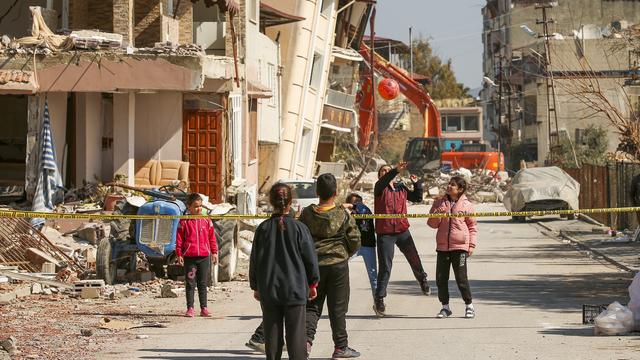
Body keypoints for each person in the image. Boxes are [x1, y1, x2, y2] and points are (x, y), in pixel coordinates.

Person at [250, 183, 320, 360]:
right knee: (296, 337)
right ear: (291, 202)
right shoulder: (300, 228)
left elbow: (255, 261)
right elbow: (310, 259)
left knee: (272, 338)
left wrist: (256, 286)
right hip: (295, 290)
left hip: (269, 290)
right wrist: (313, 283)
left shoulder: (263, 229)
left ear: (271, 202)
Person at [299, 173, 361, 359]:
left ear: (317, 192)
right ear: (335, 193)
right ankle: (341, 347)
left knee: (312, 307)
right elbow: (355, 239)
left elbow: (299, 238)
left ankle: (305, 343)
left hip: (313, 266)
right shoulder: (343, 214)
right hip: (337, 265)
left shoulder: (307, 214)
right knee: (338, 308)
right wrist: (345, 254)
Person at [373, 162, 430, 317]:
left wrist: (417, 183)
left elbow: (417, 198)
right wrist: (394, 170)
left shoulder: (401, 188)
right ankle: (379, 299)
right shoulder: (379, 187)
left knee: (414, 259)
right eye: (382, 171)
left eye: (387, 170)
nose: (385, 172)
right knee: (385, 266)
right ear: (380, 175)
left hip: (402, 229)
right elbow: (385, 180)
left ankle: (422, 280)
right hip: (385, 232)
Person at [427, 176, 478, 319]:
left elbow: (472, 227)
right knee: (441, 279)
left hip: (460, 247)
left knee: (461, 278)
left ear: (460, 189)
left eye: (453, 185)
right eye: (449, 184)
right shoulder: (439, 203)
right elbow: (431, 224)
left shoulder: (467, 205)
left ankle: (469, 306)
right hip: (443, 247)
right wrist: (437, 215)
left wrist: (471, 245)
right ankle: (445, 308)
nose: (449, 186)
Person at [175, 193, 218, 317]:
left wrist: (214, 252)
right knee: (190, 283)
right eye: (196, 206)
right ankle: (190, 308)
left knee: (203, 283)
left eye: (200, 206)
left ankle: (204, 308)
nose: (199, 209)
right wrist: (179, 254)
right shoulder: (184, 221)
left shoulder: (206, 220)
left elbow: (212, 238)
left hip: (204, 257)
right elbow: (179, 239)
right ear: (189, 207)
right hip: (190, 258)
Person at [344, 193, 377, 298]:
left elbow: (362, 209)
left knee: (373, 275)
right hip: (354, 247)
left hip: (368, 246)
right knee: (340, 265)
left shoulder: (366, 211)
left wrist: (351, 206)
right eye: (354, 202)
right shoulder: (351, 216)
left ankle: (378, 301)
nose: (357, 204)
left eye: (359, 201)